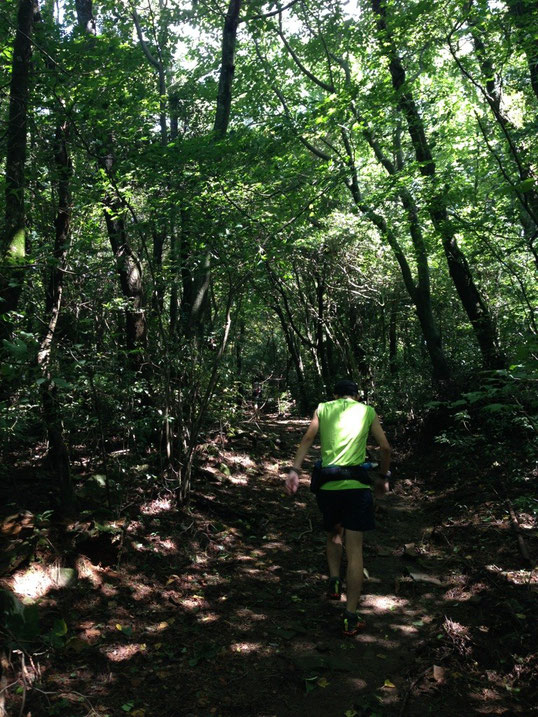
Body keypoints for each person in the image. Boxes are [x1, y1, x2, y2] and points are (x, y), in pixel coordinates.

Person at [285, 379, 391, 636]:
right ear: (356, 395)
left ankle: (334, 581)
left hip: (328, 488)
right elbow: (385, 448)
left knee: (334, 532)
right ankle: (350, 616)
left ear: (335, 394)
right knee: (355, 551)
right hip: (356, 488)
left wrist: (294, 470)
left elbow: (308, 438)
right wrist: (383, 477)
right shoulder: (367, 411)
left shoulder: (323, 408)